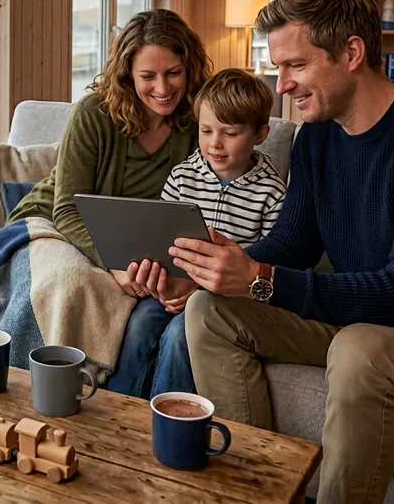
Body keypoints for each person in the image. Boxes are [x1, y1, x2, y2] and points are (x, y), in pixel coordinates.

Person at [152, 0, 394, 503]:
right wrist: (210, 269)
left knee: (361, 349)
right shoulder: (317, 137)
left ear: (351, 52)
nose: (280, 85)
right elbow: (291, 246)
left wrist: (259, 280)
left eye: (295, 66)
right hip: (369, 320)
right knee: (209, 309)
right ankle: (259, 492)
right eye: (278, 66)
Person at [6, 8, 212, 298]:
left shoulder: (200, 121)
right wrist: (114, 265)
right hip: (53, 224)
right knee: (70, 284)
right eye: (148, 76)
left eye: (174, 73)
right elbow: (66, 210)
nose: (163, 88)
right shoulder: (94, 113)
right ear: (128, 75)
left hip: (134, 245)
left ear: (190, 68)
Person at [109, 68, 287, 399]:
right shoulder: (182, 177)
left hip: (220, 300)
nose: (214, 143)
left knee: (180, 337)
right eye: (206, 131)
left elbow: (264, 267)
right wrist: (161, 282)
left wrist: (200, 291)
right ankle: (117, 410)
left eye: (230, 133)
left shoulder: (272, 193)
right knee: (138, 325)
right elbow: (159, 242)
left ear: (260, 134)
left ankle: (168, 422)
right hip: (172, 289)